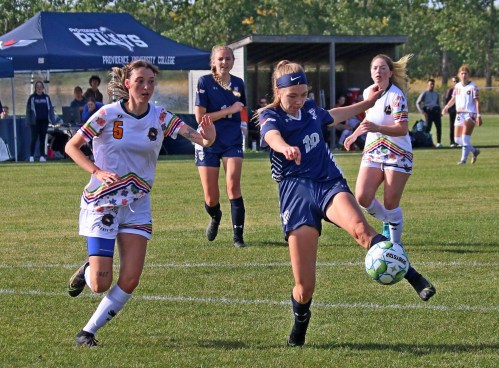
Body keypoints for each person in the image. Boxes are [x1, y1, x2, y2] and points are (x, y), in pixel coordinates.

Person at [257, 60, 436, 347]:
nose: (299, 101)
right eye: (293, 96)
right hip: (296, 193)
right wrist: (284, 147)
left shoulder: (310, 109)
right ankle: (301, 320)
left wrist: (368, 102)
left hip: (328, 184)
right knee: (305, 287)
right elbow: (271, 136)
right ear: (279, 92)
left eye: (304, 94)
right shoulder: (270, 115)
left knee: (362, 231)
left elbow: (331, 114)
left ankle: (413, 275)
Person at [65, 60, 216, 347]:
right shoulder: (107, 114)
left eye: (150, 82)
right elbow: (71, 146)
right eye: (140, 81)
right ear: (127, 84)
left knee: (131, 278)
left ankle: (87, 333)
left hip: (138, 203)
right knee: (100, 283)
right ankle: (88, 271)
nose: (146, 87)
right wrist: (96, 171)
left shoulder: (160, 116)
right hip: (104, 203)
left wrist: (208, 138)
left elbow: (199, 139)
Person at [344, 54, 417, 244]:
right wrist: (354, 134)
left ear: (390, 72)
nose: (379, 71)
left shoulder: (396, 96)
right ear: (371, 72)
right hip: (374, 152)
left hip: (398, 154)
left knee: (391, 202)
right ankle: (387, 220)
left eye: (383, 68)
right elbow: (369, 121)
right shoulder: (368, 92)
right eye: (375, 68)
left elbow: (402, 128)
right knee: (362, 196)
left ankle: (395, 246)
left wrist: (378, 129)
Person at [194, 45, 247, 248]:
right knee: (211, 196)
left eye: (228, 59)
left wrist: (244, 124)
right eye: (220, 59)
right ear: (213, 62)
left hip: (232, 140)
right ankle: (215, 217)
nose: (224, 62)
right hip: (208, 140)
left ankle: (238, 238)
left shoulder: (239, 83)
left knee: (233, 185)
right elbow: (201, 117)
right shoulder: (204, 82)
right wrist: (229, 111)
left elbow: (242, 109)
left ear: (233, 61)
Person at [442, 65, 482, 164]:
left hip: (470, 114)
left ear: (469, 75)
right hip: (459, 114)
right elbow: (453, 99)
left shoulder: (473, 87)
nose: (464, 75)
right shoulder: (457, 86)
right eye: (462, 73)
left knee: (465, 138)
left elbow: (477, 101)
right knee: (457, 140)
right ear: (459, 75)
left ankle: (463, 160)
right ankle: (474, 151)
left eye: (466, 73)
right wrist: (446, 107)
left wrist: (478, 115)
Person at [26, 80, 56, 162]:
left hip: (44, 122)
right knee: (34, 139)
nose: (39, 88)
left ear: (43, 88)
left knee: (42, 139)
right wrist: (28, 120)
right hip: (34, 122)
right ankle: (31, 156)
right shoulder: (32, 97)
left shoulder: (46, 97)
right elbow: (28, 110)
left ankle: (42, 156)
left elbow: (50, 109)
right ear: (35, 88)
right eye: (37, 87)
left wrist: (52, 120)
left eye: (40, 87)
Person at [416, 78, 442, 148]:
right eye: (431, 84)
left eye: (433, 84)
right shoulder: (425, 93)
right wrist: (422, 112)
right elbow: (418, 102)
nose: (432, 85)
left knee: (439, 127)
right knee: (428, 128)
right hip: (428, 111)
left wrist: (440, 111)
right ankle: (427, 142)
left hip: (436, 111)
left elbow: (438, 103)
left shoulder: (436, 94)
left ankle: (439, 143)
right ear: (428, 85)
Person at [445, 76, 458, 147]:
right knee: (452, 126)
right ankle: (452, 141)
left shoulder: (461, 89)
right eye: (454, 81)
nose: (456, 83)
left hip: (459, 111)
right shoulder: (450, 90)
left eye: (457, 81)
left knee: (459, 126)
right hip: (453, 111)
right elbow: (447, 100)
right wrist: (449, 109)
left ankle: (458, 141)